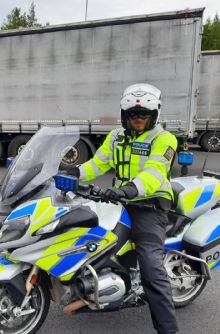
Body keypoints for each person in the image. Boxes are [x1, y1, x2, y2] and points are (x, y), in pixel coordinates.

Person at [66, 83, 178, 334]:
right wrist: (73, 173)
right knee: (86, 236)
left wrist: (127, 190)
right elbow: (98, 163)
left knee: (151, 266)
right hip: (120, 200)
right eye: (132, 115)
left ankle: (169, 330)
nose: (138, 120)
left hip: (150, 206)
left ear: (154, 116)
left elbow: (154, 173)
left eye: (144, 115)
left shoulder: (164, 139)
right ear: (124, 115)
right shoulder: (116, 136)